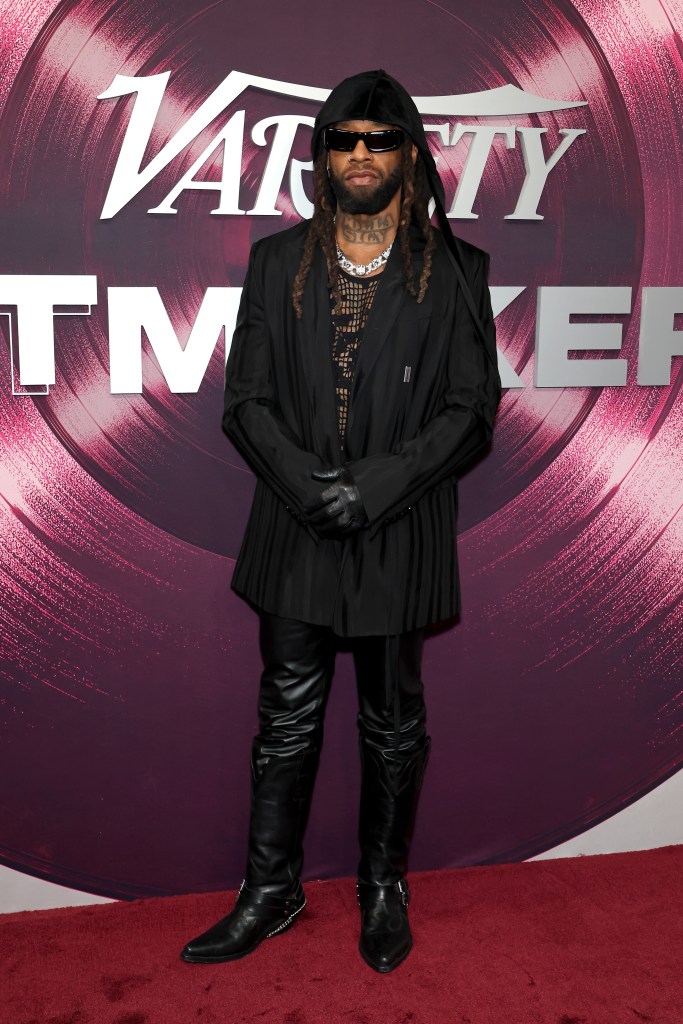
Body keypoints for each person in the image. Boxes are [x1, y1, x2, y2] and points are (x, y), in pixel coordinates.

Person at [180, 69, 501, 973]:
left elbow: (471, 411)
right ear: (321, 156)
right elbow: (245, 402)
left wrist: (375, 487)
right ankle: (269, 891)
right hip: (295, 530)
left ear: (411, 156)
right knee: (285, 718)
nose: (361, 153)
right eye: (344, 139)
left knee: (393, 723)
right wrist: (312, 489)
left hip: (399, 530)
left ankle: (383, 886)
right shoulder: (276, 262)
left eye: (380, 139)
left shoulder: (458, 271)